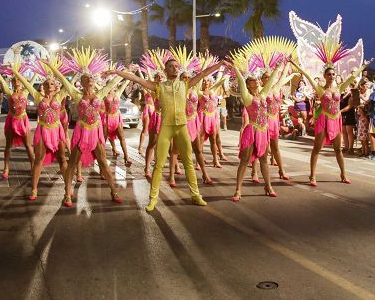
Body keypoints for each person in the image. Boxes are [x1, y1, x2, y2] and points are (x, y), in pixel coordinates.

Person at [108, 56, 220, 211]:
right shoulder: (158, 86)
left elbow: (203, 74)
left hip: (182, 127)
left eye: (176, 66)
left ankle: (196, 195)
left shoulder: (185, 84)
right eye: (171, 66)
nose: (175, 68)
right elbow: (135, 78)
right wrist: (115, 72)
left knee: (188, 162)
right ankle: (153, 199)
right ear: (166, 70)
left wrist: (220, 64)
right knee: (159, 165)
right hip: (166, 127)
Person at [47, 63, 123, 206]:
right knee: (72, 164)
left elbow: (114, 82)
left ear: (94, 82)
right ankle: (67, 194)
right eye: (86, 78)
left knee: (103, 163)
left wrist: (123, 71)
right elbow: (63, 80)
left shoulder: (100, 94)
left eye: (91, 78)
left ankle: (114, 191)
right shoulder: (76, 94)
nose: (89, 79)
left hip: (95, 131)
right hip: (82, 132)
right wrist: (51, 66)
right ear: (81, 83)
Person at [228, 58, 285, 201]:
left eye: (256, 80)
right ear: (248, 84)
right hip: (251, 130)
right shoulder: (246, 96)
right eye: (253, 80)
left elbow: (271, 82)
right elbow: (241, 81)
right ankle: (238, 190)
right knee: (245, 161)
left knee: (264, 159)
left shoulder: (263, 94)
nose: (257, 81)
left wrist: (277, 67)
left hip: (263, 131)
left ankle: (268, 186)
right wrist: (235, 68)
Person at [12, 67, 67, 201]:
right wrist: (15, 71)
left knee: (62, 159)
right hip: (43, 130)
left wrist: (53, 68)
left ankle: (68, 188)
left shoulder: (59, 96)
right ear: (43, 86)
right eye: (46, 84)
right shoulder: (38, 97)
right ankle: (34, 189)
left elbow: (67, 83)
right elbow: (26, 83)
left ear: (55, 87)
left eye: (52, 84)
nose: (49, 85)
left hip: (57, 130)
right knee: (38, 160)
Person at [0, 62, 35, 178]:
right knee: (8, 146)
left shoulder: (26, 91)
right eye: (14, 80)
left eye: (18, 80)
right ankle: (6, 168)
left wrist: (37, 67)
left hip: (23, 120)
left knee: (28, 145)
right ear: (12, 82)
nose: (16, 82)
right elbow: (0, 78)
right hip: (12, 120)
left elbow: (32, 79)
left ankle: (33, 166)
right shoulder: (9, 92)